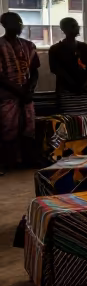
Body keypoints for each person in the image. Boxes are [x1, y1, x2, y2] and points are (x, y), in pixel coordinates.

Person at [0, 12, 39, 171]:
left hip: (25, 96)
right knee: (8, 129)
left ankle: (27, 161)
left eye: (20, 21)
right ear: (5, 25)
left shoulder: (28, 45)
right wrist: (20, 92)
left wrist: (29, 90)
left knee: (29, 128)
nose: (20, 25)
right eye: (16, 22)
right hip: (6, 97)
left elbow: (34, 71)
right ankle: (9, 162)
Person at [48, 17, 87, 115]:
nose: (77, 28)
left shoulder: (86, 48)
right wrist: (73, 85)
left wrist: (85, 84)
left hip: (85, 93)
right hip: (66, 93)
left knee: (86, 122)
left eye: (77, 25)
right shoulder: (56, 49)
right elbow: (56, 69)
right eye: (73, 26)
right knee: (70, 122)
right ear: (64, 29)